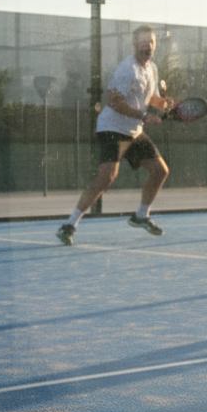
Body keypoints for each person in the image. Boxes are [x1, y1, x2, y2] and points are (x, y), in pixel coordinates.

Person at [56, 25, 173, 246]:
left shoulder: (152, 69)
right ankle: (69, 225)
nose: (147, 46)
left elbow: (153, 99)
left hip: (134, 130)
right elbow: (114, 101)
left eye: (151, 42)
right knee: (106, 177)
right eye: (143, 42)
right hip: (112, 127)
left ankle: (141, 215)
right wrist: (144, 115)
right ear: (134, 44)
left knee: (160, 171)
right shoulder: (126, 69)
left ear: (155, 46)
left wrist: (165, 104)